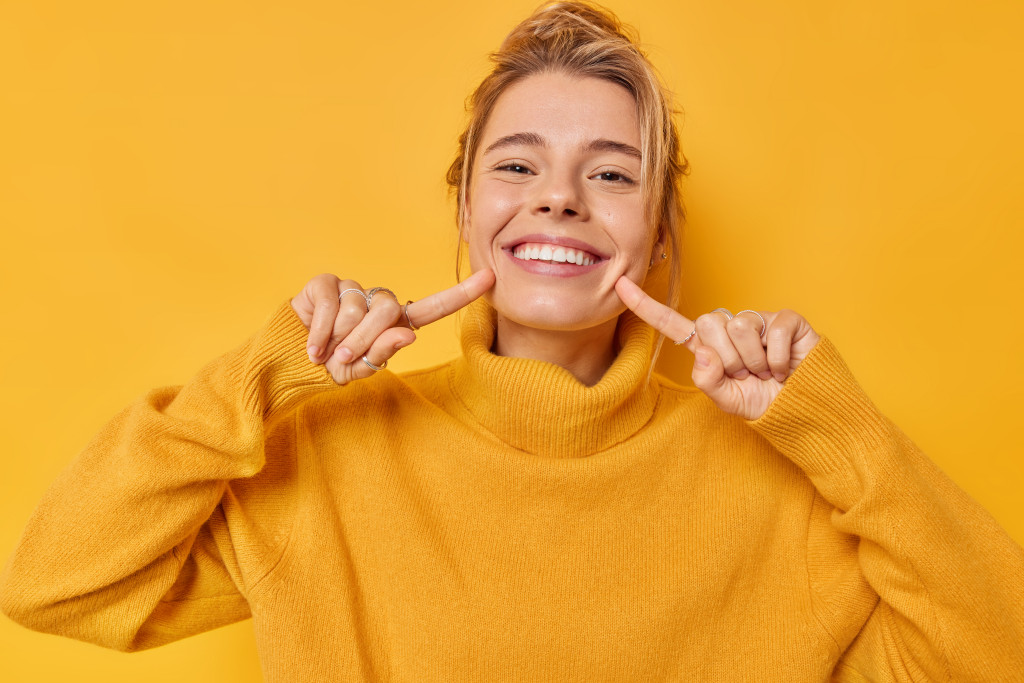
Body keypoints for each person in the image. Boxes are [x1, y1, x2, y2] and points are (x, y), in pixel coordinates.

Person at [1, 1, 1022, 680]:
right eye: (518, 165)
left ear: (657, 232)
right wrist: (264, 379)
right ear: (467, 206)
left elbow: (995, 646)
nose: (560, 199)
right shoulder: (325, 462)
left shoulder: (787, 486)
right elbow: (53, 582)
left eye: (613, 173)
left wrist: (832, 424)